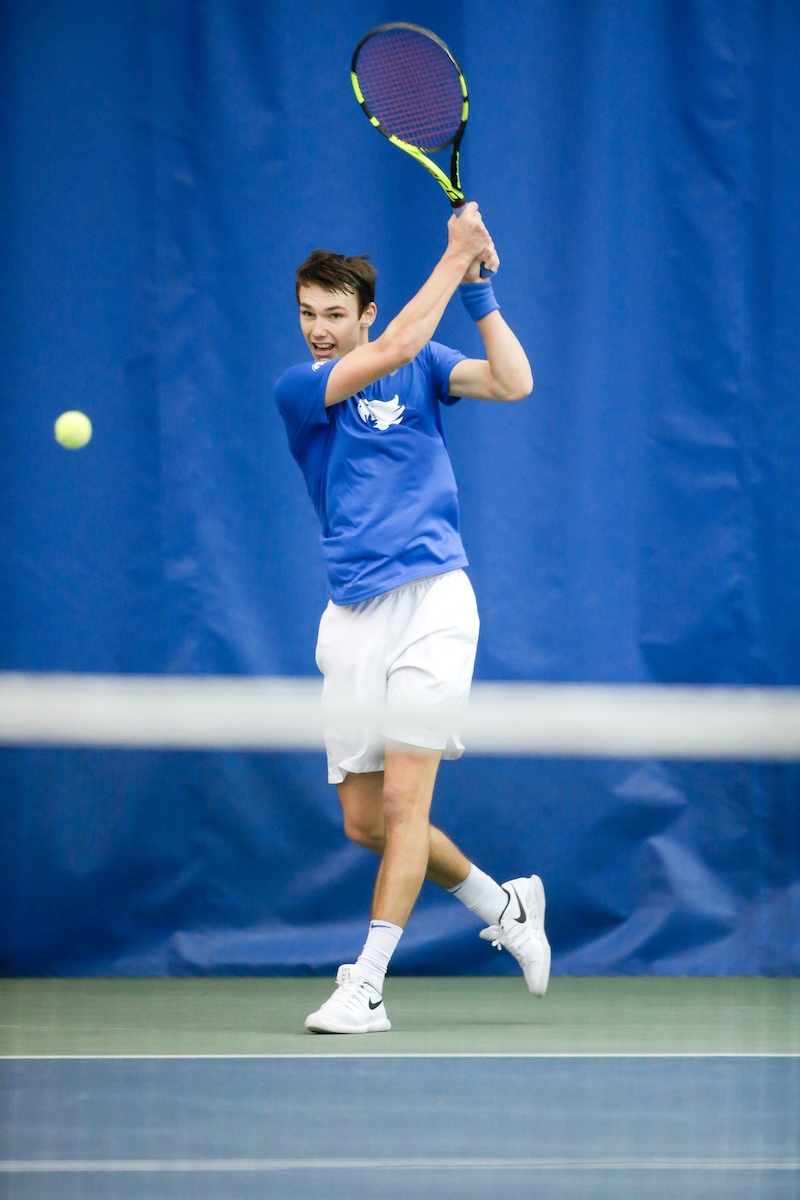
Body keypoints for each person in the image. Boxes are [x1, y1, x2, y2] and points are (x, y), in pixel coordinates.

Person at [274, 204, 549, 1034]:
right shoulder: (302, 389)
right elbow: (390, 346)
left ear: (361, 311)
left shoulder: (423, 365)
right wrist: (457, 249)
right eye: (308, 316)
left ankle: (367, 985)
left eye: (334, 316)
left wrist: (480, 293)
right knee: (368, 822)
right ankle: (502, 903)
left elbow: (513, 381)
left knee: (403, 805)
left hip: (434, 601)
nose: (320, 331)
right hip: (352, 619)